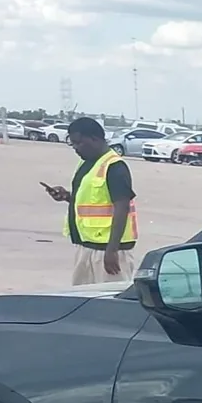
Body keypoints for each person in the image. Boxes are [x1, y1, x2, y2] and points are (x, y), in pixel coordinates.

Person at [41, 117, 136, 283]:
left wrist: (112, 250)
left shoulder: (114, 167)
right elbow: (94, 200)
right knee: (83, 296)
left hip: (107, 251)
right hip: (86, 247)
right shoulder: (87, 163)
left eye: (79, 143)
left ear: (95, 139)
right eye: (72, 144)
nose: (75, 148)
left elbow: (122, 207)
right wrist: (67, 196)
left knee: (110, 298)